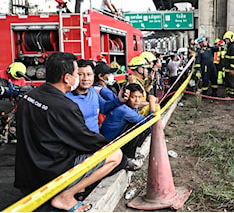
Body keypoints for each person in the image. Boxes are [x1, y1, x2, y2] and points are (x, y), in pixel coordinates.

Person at [14, 52, 122, 212]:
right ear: (67, 78)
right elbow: (86, 140)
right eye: (77, 73)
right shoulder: (65, 106)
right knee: (116, 155)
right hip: (50, 171)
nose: (82, 78)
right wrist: (112, 146)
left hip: (26, 171)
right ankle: (65, 196)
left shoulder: (29, 96)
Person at [66, 59, 127, 134]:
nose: (86, 78)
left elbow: (103, 108)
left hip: (95, 142)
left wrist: (119, 100)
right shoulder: (66, 98)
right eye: (80, 74)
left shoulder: (92, 91)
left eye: (89, 74)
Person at [100, 83, 148, 160]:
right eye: (133, 97)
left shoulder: (126, 104)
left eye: (140, 97)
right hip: (108, 143)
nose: (137, 100)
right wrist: (152, 106)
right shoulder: (124, 110)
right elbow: (148, 123)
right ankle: (127, 156)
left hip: (111, 137)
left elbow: (103, 91)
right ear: (127, 97)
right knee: (139, 126)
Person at [223, 31, 234, 98]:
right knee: (228, 83)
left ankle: (232, 95)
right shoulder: (229, 46)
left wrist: (232, 69)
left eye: (227, 39)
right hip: (228, 69)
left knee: (232, 83)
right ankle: (229, 95)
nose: (226, 41)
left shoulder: (233, 47)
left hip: (231, 69)